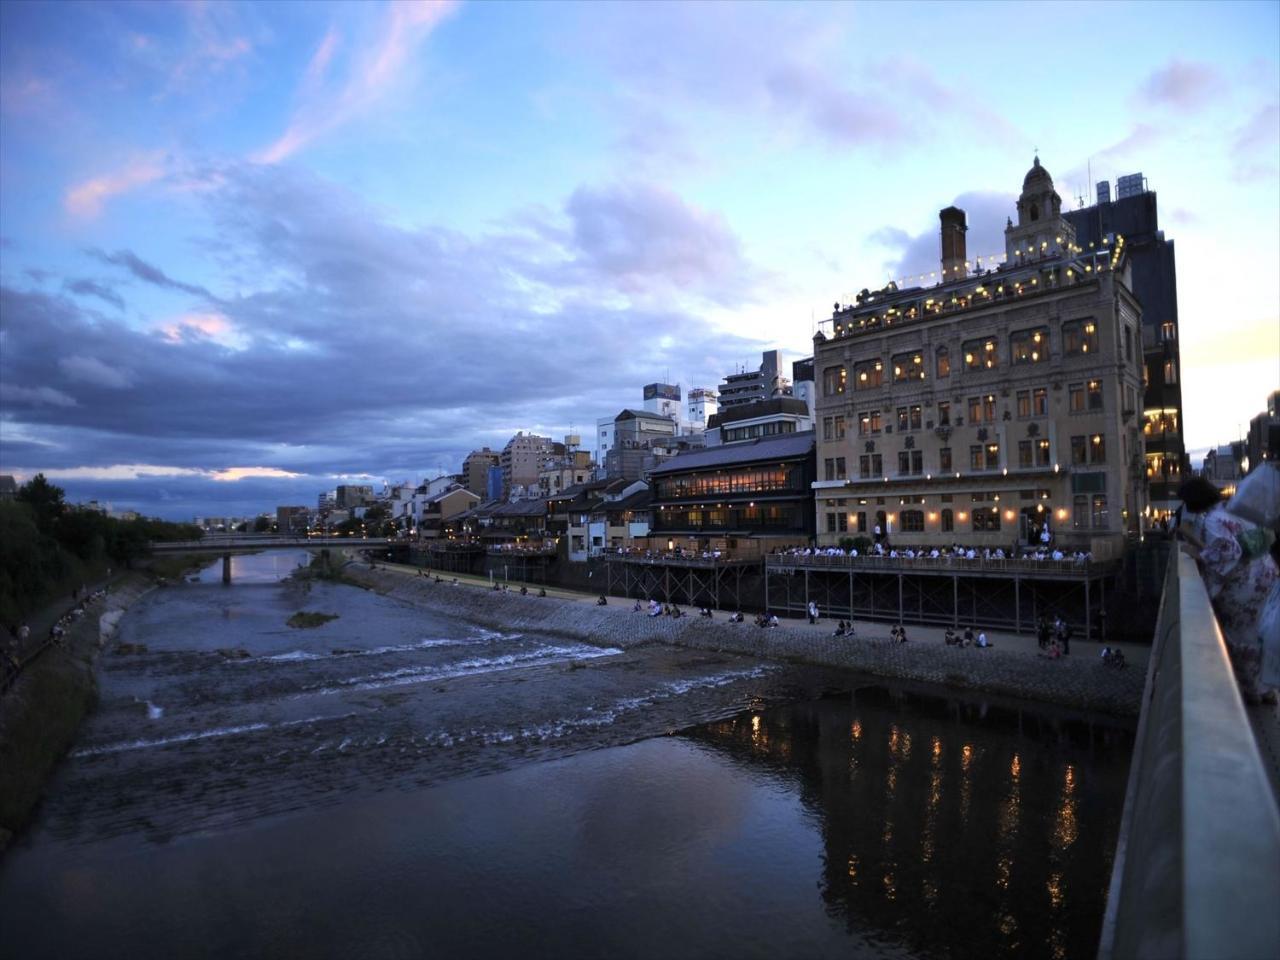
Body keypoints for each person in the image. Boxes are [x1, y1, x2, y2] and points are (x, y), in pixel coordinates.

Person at [1179, 475, 1278, 700]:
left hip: (1245, 584)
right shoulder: (1233, 508)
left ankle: (1252, 690)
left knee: (1241, 635)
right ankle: (1269, 689)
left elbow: (1229, 552)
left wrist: (1199, 554)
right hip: (1266, 573)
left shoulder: (1213, 520)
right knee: (1261, 633)